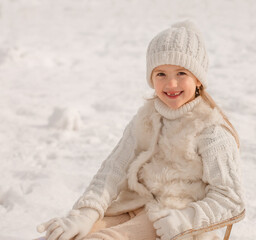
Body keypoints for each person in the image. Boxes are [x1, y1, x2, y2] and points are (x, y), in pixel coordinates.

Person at [36, 20, 245, 240]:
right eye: (161, 74)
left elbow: (231, 199)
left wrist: (185, 219)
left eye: (181, 73)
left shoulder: (211, 130)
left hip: (173, 220)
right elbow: (112, 170)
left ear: (199, 80)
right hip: (133, 206)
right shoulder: (146, 119)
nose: (171, 84)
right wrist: (85, 214)